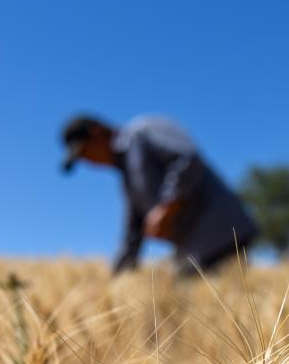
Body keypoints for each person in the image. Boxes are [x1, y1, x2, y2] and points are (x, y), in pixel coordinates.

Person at [61, 114, 257, 276]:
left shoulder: (143, 131)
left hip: (223, 233)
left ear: (98, 132)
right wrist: (117, 277)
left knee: (228, 304)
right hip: (195, 251)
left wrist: (168, 205)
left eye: (86, 153)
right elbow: (134, 231)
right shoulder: (127, 178)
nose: (90, 162)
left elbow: (187, 158)